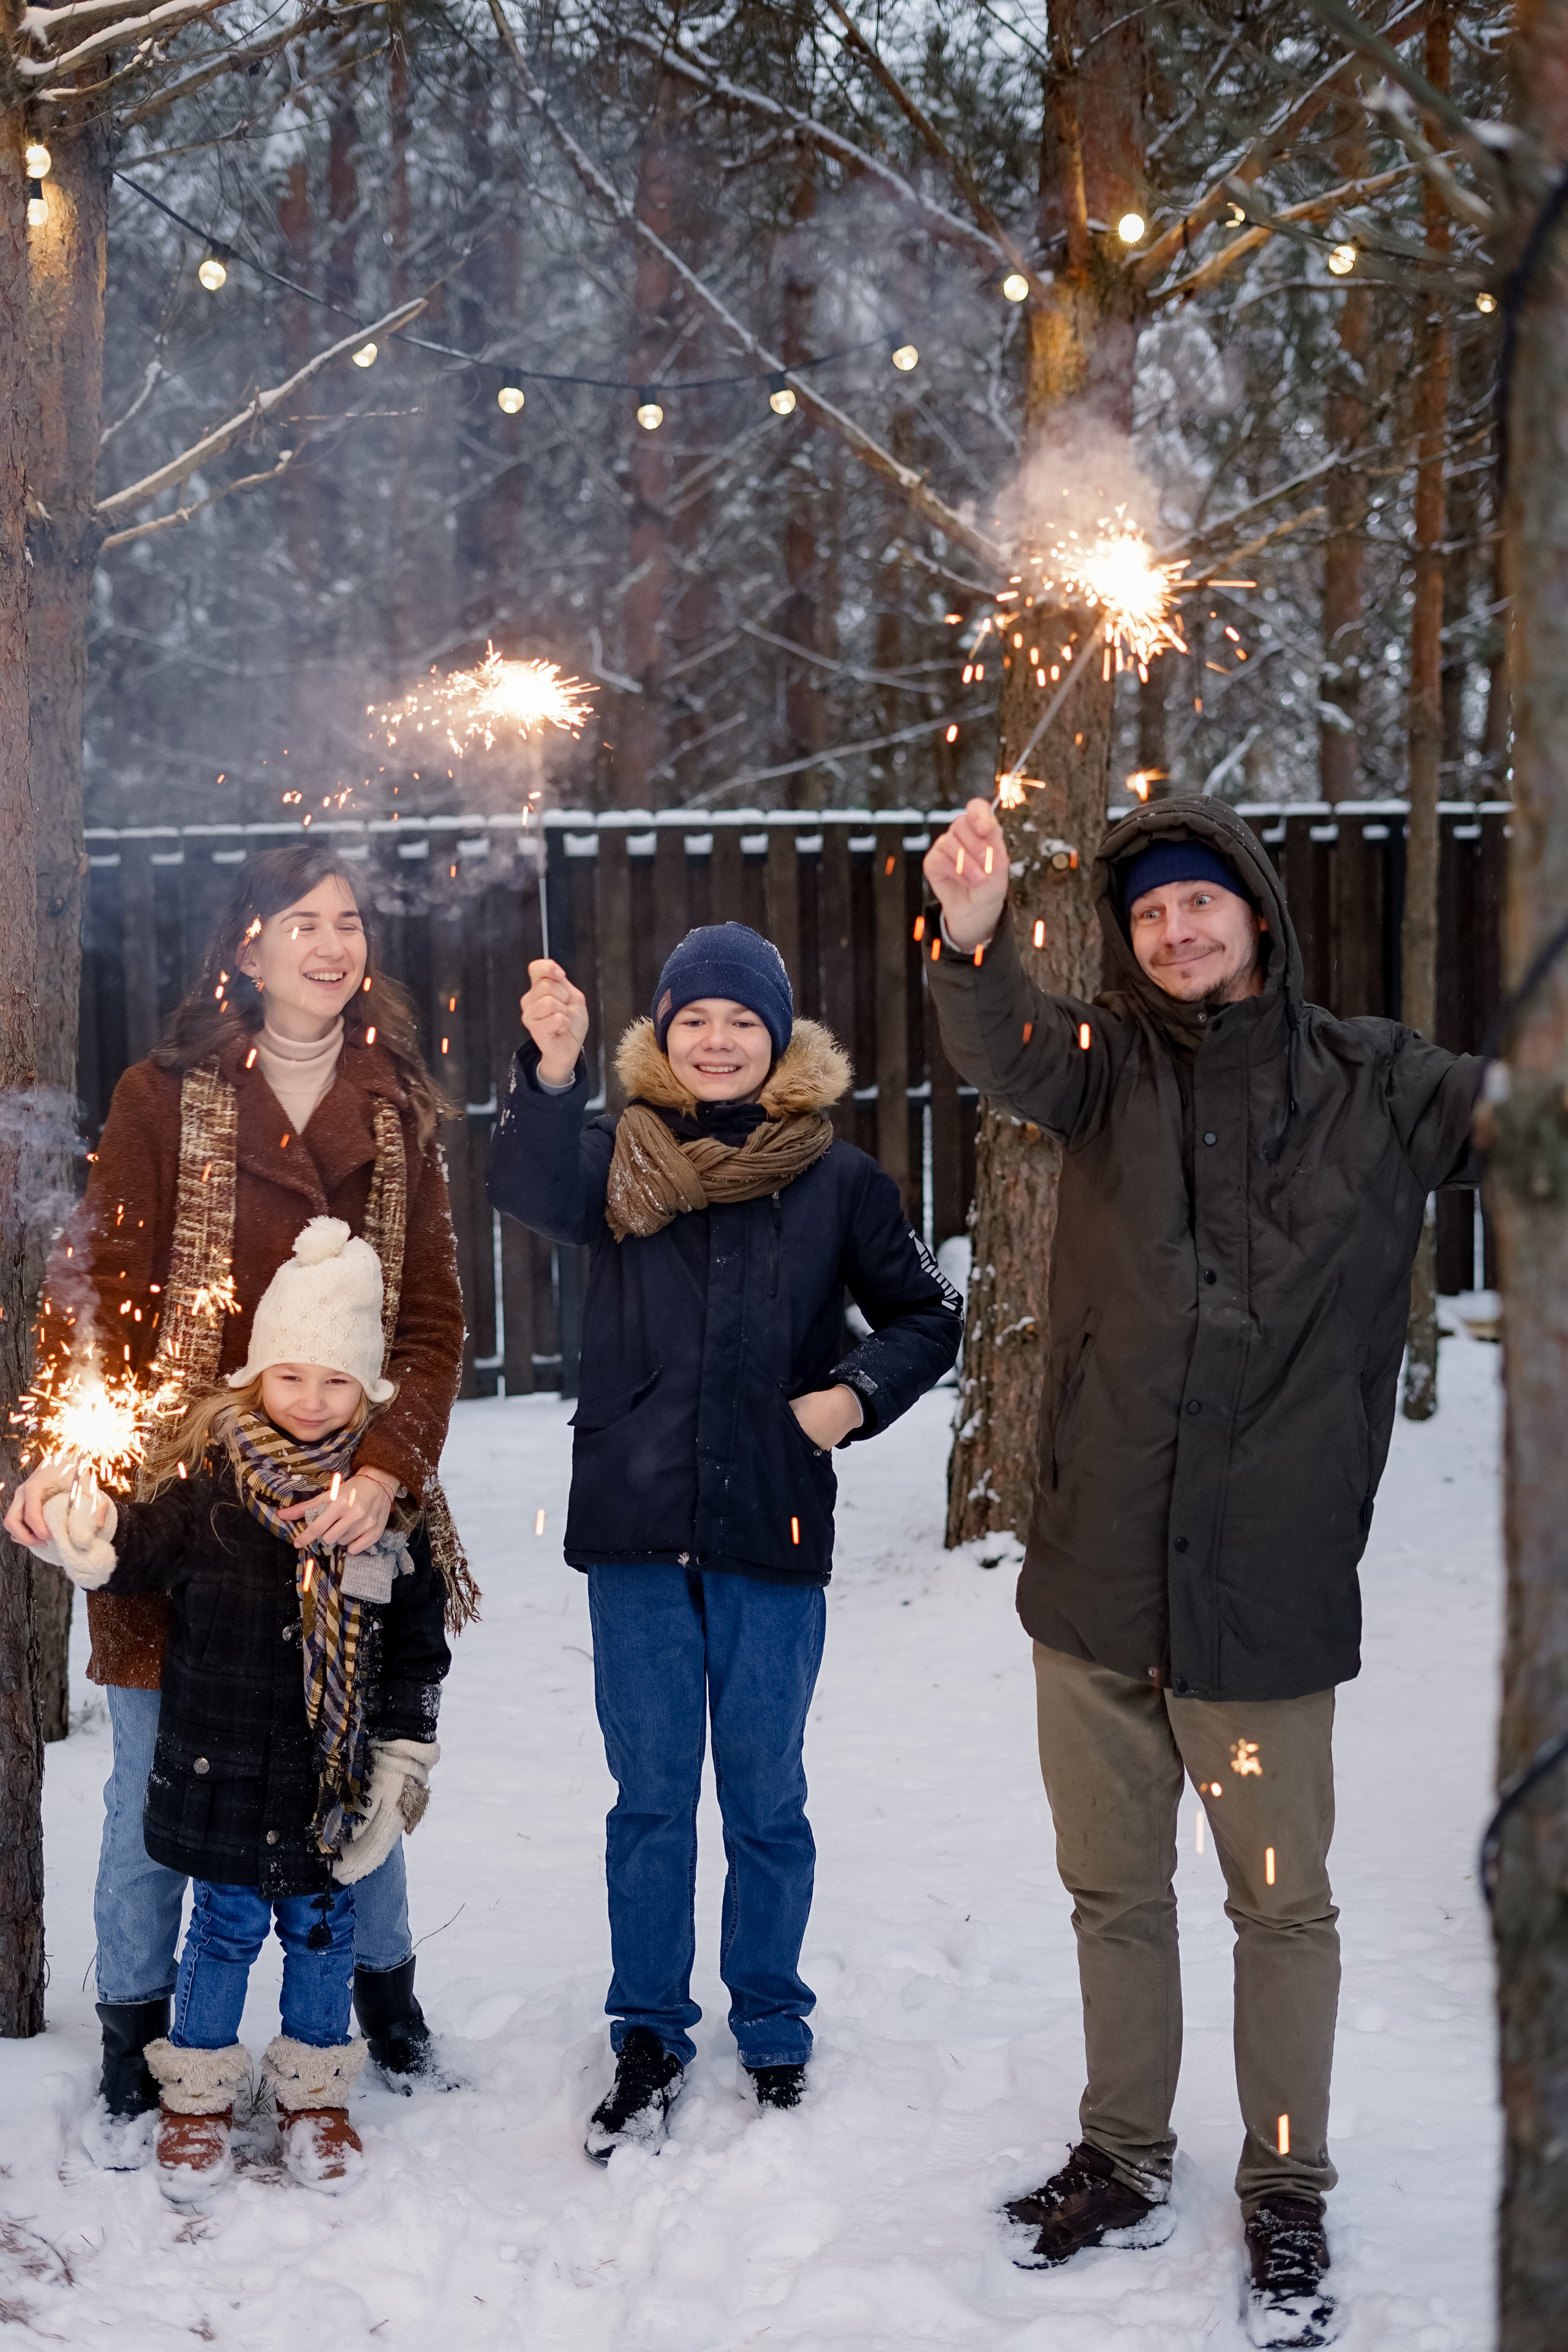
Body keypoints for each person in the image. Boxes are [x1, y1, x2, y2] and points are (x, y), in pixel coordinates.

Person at [922, 795, 1482, 2352]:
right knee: (1112, 1890)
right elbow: (1000, 1046)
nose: (1174, 935)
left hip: (1257, 1598)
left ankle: (1285, 2188)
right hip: (1098, 1580)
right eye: (1149, 916)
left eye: (1198, 907)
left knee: (1275, 1906)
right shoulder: (1099, 1072)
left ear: (1253, 909)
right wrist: (965, 940)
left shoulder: (1376, 1084)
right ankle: (1120, 2157)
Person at [4, 845, 470, 2144]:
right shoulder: (165, 1099)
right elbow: (89, 1293)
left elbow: (430, 1323)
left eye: (351, 921)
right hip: (182, 1506)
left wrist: (387, 1471)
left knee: (352, 1760)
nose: (332, 945)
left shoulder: (397, 1112)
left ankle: (381, 2006)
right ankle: (138, 2033)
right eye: (301, 922)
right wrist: (67, 1448)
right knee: (155, 1773)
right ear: (245, 947)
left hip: (343, 1505)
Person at [488, 922, 962, 2158]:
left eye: (738, 1022)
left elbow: (924, 1312)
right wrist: (548, 1074)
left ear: (775, 1037)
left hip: (771, 1525)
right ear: (663, 1031)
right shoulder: (614, 1158)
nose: (713, 1041)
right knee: (648, 1801)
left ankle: (772, 2022)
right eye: (692, 1019)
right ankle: (647, 2027)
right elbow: (525, 1185)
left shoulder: (839, 1180)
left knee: (764, 1801)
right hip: (637, 1532)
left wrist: (848, 1394)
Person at [20, 1219, 450, 2203]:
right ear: (257, 1374)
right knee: (218, 1932)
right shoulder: (212, 1485)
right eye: (291, 1376)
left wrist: (402, 1760)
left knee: (320, 1930)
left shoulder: (382, 1519)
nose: (310, 1400)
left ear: (368, 1393)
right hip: (219, 1765)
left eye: (336, 1382)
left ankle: (313, 2095)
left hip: (324, 1781)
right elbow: (141, 1547)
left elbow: (418, 1649)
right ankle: (198, 2097)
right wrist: (91, 1535)